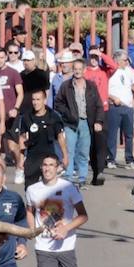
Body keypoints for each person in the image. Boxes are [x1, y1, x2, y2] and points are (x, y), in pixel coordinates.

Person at [53, 59, 105, 188]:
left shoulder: (91, 86)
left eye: (79, 69)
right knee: (69, 150)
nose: (77, 71)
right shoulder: (66, 86)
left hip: (86, 122)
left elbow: (99, 105)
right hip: (70, 123)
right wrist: (67, 114)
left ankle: (82, 178)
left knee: (83, 151)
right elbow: (58, 103)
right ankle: (68, 178)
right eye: (75, 69)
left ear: (84, 70)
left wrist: (98, 121)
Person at [15, 88, 68, 188]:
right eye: (33, 100)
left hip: (49, 157)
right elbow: (22, 139)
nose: (35, 102)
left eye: (38, 99)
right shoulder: (27, 117)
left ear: (44, 100)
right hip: (32, 157)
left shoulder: (53, 117)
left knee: (49, 189)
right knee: (30, 189)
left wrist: (65, 156)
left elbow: (60, 137)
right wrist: (21, 160)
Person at [105, 47, 134, 169]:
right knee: (112, 134)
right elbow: (104, 89)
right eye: (124, 60)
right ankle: (111, 158)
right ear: (117, 60)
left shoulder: (130, 71)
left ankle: (129, 159)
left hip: (128, 107)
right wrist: (113, 98)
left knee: (129, 134)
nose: (127, 62)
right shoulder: (110, 71)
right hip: (115, 106)